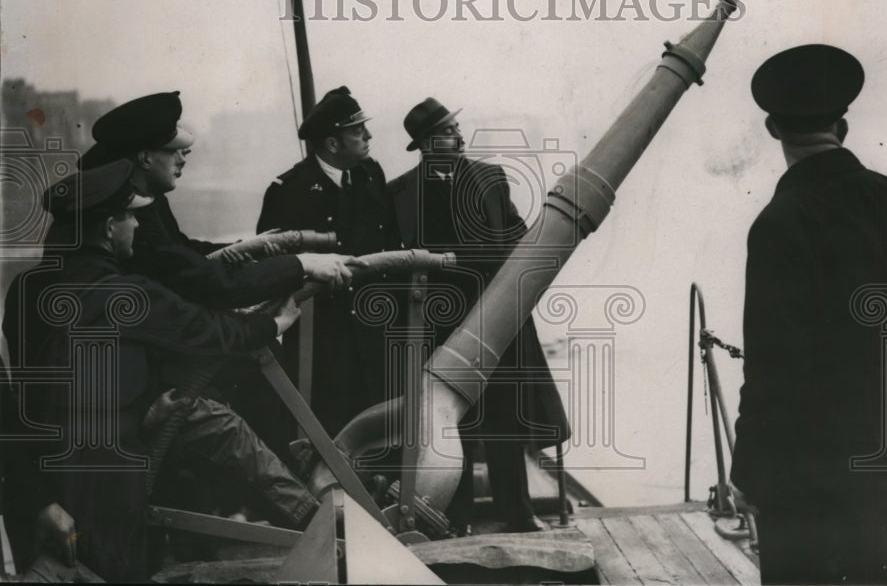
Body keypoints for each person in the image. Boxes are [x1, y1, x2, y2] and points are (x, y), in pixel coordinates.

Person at [1, 160, 319, 581]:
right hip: (105, 476)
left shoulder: (26, 289)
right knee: (117, 571)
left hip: (35, 477)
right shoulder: (125, 293)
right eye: (131, 215)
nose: (136, 225)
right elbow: (206, 330)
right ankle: (316, 520)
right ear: (108, 227)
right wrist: (273, 324)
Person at [729, 45, 887, 584]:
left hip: (816, 486)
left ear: (772, 129)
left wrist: (750, 472)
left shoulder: (780, 221)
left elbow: (775, 368)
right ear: (844, 125)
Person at [79, 91, 356, 466]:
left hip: (139, 362)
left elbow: (182, 250)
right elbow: (202, 279)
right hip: (135, 385)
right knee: (252, 384)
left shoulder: (140, 197)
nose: (183, 158)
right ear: (145, 158)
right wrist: (300, 265)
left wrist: (253, 248)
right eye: (173, 151)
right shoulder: (128, 207)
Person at [388, 98, 569, 534]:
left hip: (496, 318)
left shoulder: (490, 178)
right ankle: (457, 518)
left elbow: (517, 235)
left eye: (457, 128)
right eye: (451, 131)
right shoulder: (399, 194)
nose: (460, 136)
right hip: (438, 324)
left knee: (506, 418)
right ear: (429, 144)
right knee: (452, 423)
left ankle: (519, 513)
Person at [257, 86, 402, 437]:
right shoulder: (289, 189)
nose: (368, 136)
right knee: (329, 434)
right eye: (357, 131)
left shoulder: (370, 175)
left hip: (374, 331)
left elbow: (391, 242)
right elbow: (270, 267)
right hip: (322, 343)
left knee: (384, 432)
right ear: (332, 143)